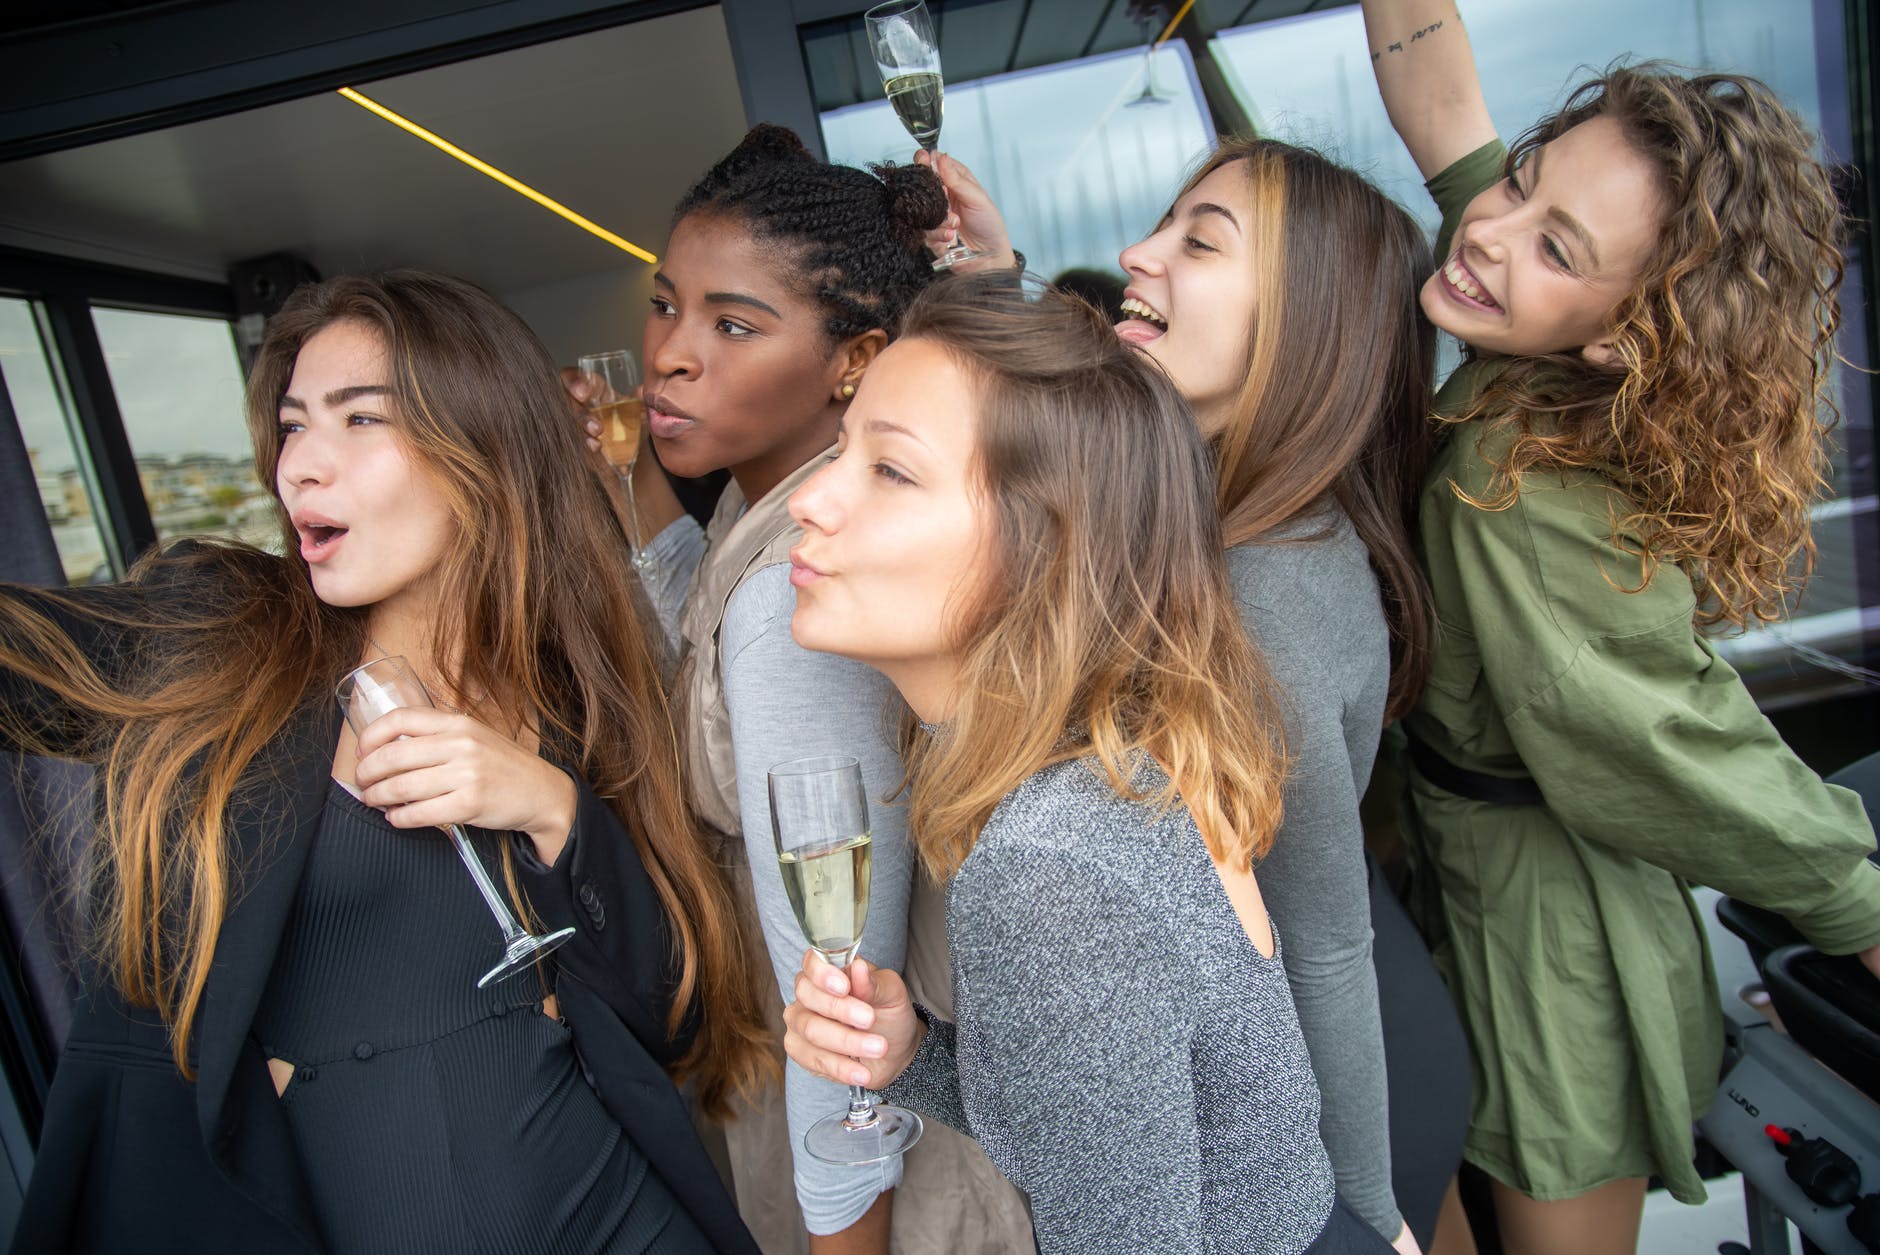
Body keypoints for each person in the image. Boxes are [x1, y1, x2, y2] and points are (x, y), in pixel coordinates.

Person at [0, 271, 771, 1254]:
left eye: (359, 421)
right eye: (292, 426)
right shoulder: (229, 637)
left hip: (624, 1219)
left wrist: (549, 809)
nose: (299, 470)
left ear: (482, 448)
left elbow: (679, 1010)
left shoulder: (570, 683)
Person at [1359, 3, 1880, 1252]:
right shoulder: (1521, 299)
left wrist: (1860, 907)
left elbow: (1669, 733)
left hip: (1548, 932)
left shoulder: (1521, 483)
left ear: (1618, 334)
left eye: (1553, 243)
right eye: (1525, 180)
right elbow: (1439, 95)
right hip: (1453, 865)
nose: (1485, 228)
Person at [923, 139, 1471, 1252]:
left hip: (1339, 1080)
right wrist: (993, 288)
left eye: (1196, 241)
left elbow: (1320, 942)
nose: (1135, 253)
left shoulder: (1258, 601)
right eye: (1160, 224)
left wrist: (1361, 1218)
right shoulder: (1223, 526)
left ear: (1302, 325)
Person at [780, 278, 1398, 1255]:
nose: (810, 497)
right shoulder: (1124, 757)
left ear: (1044, 545)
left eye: (889, 470)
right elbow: (1137, 1130)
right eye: (840, 446)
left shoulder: (1049, 873)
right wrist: (912, 1059)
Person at [581, 124, 1035, 1255]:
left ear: (851, 359)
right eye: (665, 304)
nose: (673, 354)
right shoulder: (770, 501)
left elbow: (836, 975)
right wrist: (632, 466)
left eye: (733, 323)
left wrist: (844, 1236)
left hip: (884, 1181)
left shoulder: (810, 592)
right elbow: (704, 607)